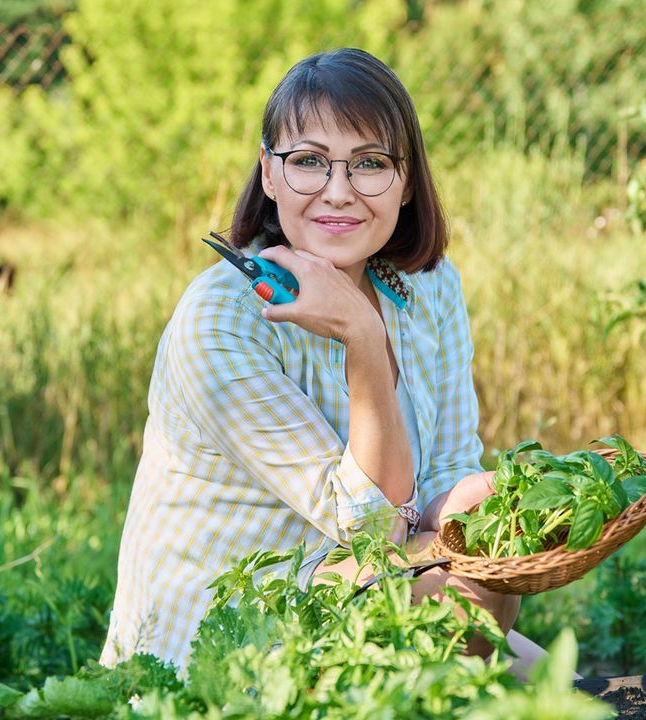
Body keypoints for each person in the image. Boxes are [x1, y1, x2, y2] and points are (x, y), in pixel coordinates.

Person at [101, 47, 544, 676]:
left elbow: (445, 479)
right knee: (470, 591)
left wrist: (505, 501)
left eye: (369, 164)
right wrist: (361, 337)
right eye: (308, 162)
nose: (338, 193)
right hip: (223, 646)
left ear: (408, 180)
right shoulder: (222, 318)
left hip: (350, 589)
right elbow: (373, 528)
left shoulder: (428, 288)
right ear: (270, 173)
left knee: (562, 684)